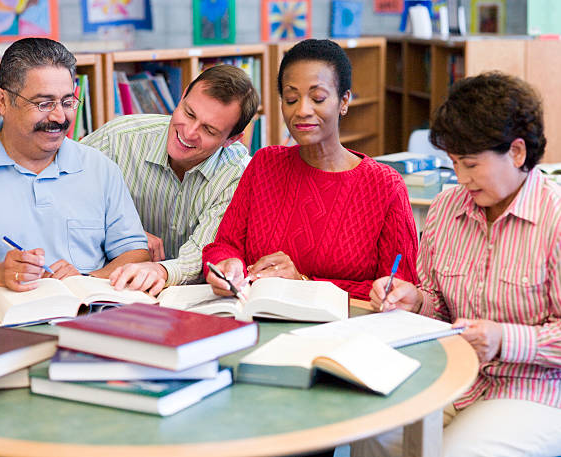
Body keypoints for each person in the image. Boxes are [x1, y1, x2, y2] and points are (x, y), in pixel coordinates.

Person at [366, 72, 561, 457]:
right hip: (455, 378)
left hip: (535, 392)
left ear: (518, 153)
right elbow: (437, 303)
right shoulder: (445, 209)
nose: (461, 178)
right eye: (454, 163)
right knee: (368, 427)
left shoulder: (554, 220)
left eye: (471, 164)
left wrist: (506, 338)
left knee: (455, 453)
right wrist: (414, 300)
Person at [203, 39, 418, 300]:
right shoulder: (265, 164)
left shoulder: (384, 186)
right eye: (291, 99)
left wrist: (303, 283)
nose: (302, 111)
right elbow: (225, 245)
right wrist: (228, 265)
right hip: (259, 318)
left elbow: (399, 291)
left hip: (348, 331)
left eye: (318, 98)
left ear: (344, 101)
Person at [0, 38, 149, 308]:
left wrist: (87, 279)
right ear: (3, 100)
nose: (59, 117)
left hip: (87, 321)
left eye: (67, 102)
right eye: (44, 104)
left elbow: (135, 253)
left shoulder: (100, 168)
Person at [81, 65, 259, 295]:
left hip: (190, 300)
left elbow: (201, 253)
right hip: (107, 287)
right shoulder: (118, 138)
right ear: (183, 95)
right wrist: (122, 232)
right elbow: (59, 192)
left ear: (232, 139)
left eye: (209, 130)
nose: (189, 132)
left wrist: (160, 271)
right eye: (189, 113)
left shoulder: (238, 174)